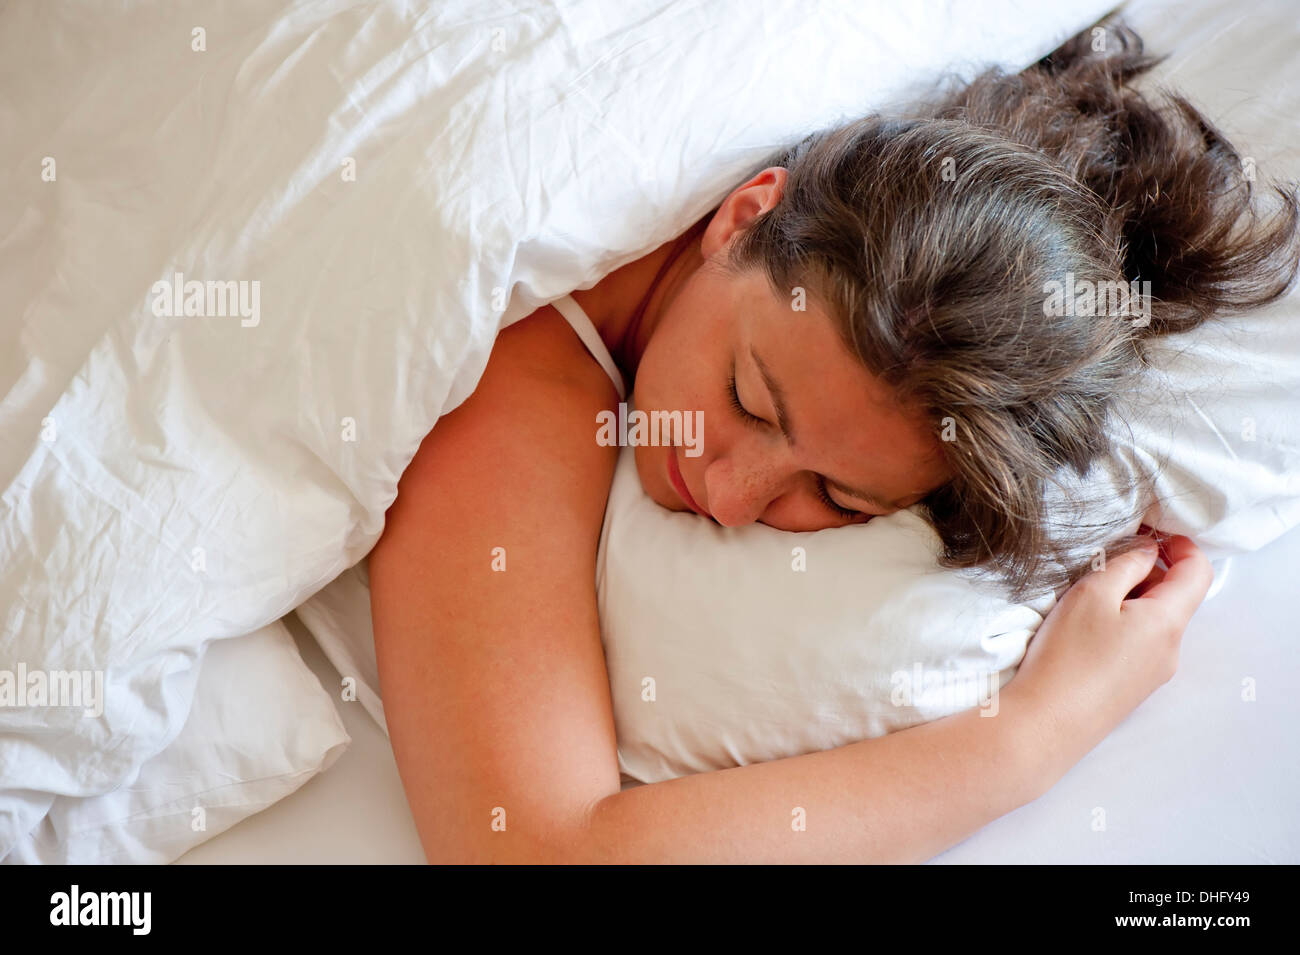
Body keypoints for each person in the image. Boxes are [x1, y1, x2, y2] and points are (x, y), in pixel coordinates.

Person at [367, 22, 1296, 862]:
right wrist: (1030, 734)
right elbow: (533, 852)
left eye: (841, 499)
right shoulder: (517, 367)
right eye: (750, 399)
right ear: (743, 216)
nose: (730, 499)